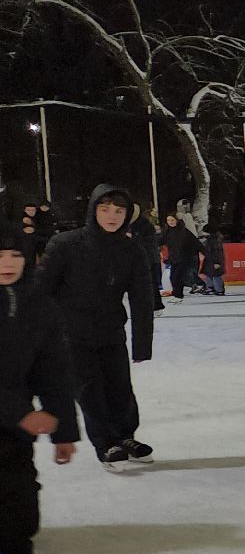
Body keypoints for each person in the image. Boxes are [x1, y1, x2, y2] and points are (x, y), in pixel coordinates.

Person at [33, 185, 156, 469]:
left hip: (111, 333)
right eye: (105, 209)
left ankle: (125, 436)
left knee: (120, 389)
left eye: (118, 211)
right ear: (93, 210)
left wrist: (142, 344)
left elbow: (142, 298)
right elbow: (40, 291)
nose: (112, 216)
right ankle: (105, 443)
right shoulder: (65, 244)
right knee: (90, 391)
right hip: (72, 336)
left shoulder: (131, 249)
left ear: (126, 215)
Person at [0, 224, 78, 554]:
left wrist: (64, 432)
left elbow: (53, 372)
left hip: (13, 428)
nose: (8, 262)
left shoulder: (40, 306)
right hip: (14, 414)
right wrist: (20, 413)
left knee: (20, 524)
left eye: (16, 254)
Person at [126, 203, 165, 312]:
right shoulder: (130, 225)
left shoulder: (144, 225)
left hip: (148, 258)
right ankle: (146, 304)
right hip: (138, 258)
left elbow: (149, 242)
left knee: (150, 282)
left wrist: (133, 238)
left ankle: (156, 305)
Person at [160, 213, 203, 302]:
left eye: (172, 220)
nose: (170, 222)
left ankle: (178, 296)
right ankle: (176, 294)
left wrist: (206, 253)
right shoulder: (167, 232)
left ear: (177, 220)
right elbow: (158, 241)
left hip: (184, 257)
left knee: (177, 277)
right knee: (173, 277)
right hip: (174, 258)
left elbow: (196, 243)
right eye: (169, 220)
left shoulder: (184, 231)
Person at [200, 221, 227, 295]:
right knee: (209, 274)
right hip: (209, 260)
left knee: (216, 275)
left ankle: (219, 290)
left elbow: (217, 252)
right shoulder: (210, 239)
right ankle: (210, 288)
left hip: (213, 260)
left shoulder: (214, 240)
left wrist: (217, 262)